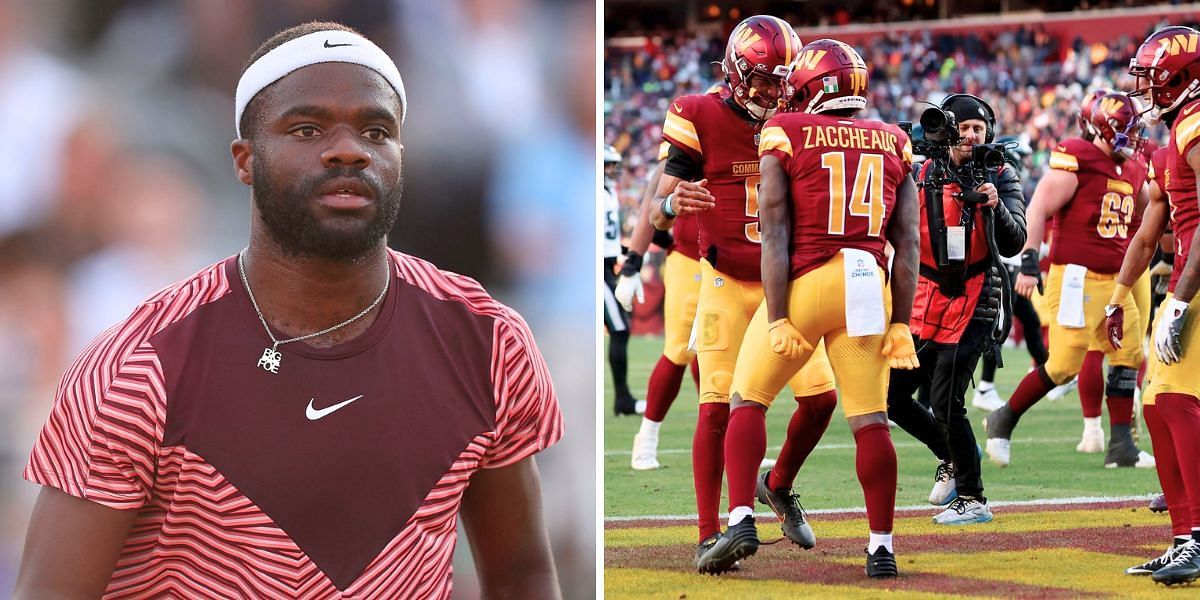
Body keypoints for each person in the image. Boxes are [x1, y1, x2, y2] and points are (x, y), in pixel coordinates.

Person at [14, 22, 563, 599]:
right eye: (307, 128)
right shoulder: (141, 365)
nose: (350, 149)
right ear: (245, 160)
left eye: (376, 131)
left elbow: (522, 573)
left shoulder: (484, 338)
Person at [696, 39, 920, 578]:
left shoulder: (787, 131)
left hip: (807, 281)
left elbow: (774, 231)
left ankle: (743, 517)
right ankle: (882, 548)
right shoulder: (894, 139)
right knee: (872, 422)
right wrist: (900, 324)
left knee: (748, 400)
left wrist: (776, 316)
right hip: (868, 285)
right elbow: (908, 242)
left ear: (809, 85)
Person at [649, 16, 839, 568]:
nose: (770, 93)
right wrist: (668, 206)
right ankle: (711, 531)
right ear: (734, 72)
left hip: (791, 286)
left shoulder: (802, 120)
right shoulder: (697, 113)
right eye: (759, 81)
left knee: (822, 397)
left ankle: (777, 483)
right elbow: (663, 204)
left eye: (780, 83)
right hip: (725, 281)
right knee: (715, 407)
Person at [986, 92, 1154, 471]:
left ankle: (1121, 446)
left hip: (1115, 281)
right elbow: (1040, 205)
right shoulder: (1077, 156)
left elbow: (1149, 211)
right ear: (1102, 128)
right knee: (1063, 364)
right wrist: (1029, 262)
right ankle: (1004, 418)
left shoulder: (1133, 167)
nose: (1132, 138)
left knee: (1128, 354)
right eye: (1125, 130)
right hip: (1076, 277)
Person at [885, 93, 1027, 526]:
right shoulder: (920, 169)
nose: (969, 136)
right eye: (961, 128)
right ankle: (950, 455)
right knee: (892, 396)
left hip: (976, 293)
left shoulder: (1000, 173)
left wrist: (994, 205)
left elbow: (1015, 240)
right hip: (925, 294)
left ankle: (972, 496)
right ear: (945, 131)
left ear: (988, 134)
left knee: (947, 401)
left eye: (977, 129)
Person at [1119, 25, 1200, 586]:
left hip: (1195, 284)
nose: (1145, 89)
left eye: (1153, 79)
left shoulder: (1194, 124)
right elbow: (1151, 234)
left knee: (1172, 401)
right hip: (1187, 281)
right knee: (1157, 403)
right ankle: (1184, 536)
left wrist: (1179, 301)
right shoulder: (1175, 134)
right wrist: (1124, 292)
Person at [617, 141, 701, 469]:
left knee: (723, 357)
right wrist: (633, 263)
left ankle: (730, 437)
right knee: (679, 350)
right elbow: (656, 190)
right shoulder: (701, 117)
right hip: (691, 255)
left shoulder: (771, 123)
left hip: (741, 259)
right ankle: (646, 438)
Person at [972, 134, 1045, 412]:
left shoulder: (1004, 182)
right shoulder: (998, 182)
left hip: (1006, 263)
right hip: (998, 264)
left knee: (1019, 320)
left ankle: (1045, 370)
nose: (1025, 163)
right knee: (995, 325)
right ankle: (985, 387)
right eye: (1022, 158)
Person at [603, 144, 642, 416]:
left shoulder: (608, 193)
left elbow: (608, 237)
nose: (612, 170)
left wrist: (627, 252)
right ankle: (622, 398)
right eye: (607, 164)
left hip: (607, 265)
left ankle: (623, 397)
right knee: (619, 329)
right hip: (596, 268)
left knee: (620, 329)